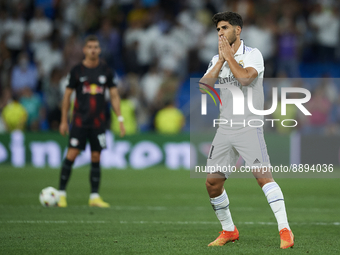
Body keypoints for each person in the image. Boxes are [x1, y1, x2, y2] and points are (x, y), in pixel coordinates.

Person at [199, 12, 294, 249]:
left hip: (248, 126)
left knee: (263, 177)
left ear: (237, 30)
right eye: (217, 29)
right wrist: (221, 60)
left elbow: (244, 79)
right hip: (224, 128)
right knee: (212, 183)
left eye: (224, 28)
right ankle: (229, 230)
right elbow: (203, 87)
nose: (219, 33)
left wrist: (229, 57)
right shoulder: (216, 59)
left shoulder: (253, 55)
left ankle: (285, 231)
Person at [58, 35, 125, 208]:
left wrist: (120, 118)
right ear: (84, 50)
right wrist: (64, 121)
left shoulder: (106, 71)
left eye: (96, 47)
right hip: (79, 121)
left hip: (98, 123)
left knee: (96, 156)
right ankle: (61, 194)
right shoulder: (77, 71)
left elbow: (115, 96)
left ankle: (94, 197)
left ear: (99, 50)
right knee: (72, 154)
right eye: (90, 47)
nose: (93, 50)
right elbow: (67, 97)